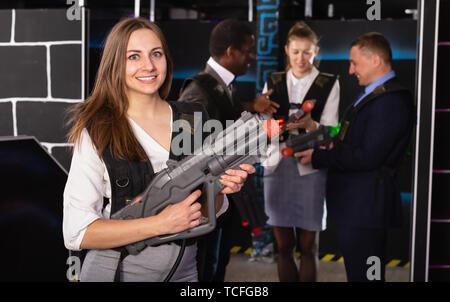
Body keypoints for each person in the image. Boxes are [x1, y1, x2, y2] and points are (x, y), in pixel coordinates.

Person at [62, 17, 254, 282]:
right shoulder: (99, 131)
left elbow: (206, 212)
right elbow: (76, 232)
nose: (148, 66)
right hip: (116, 272)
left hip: (185, 273)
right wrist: (159, 224)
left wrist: (219, 187)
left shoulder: (193, 119)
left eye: (156, 54)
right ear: (115, 64)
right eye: (133, 57)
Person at [296, 32, 414, 282]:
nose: (350, 70)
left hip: (367, 208)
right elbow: (353, 140)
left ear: (376, 60)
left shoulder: (391, 101)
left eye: (355, 63)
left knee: (366, 277)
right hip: (358, 207)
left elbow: (367, 157)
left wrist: (320, 157)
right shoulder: (377, 95)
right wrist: (325, 143)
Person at [178, 19, 277, 282]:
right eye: (247, 51)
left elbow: (220, 118)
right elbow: (186, 154)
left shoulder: (221, 86)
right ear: (230, 51)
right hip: (204, 202)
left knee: (218, 264)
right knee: (204, 269)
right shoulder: (197, 90)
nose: (252, 57)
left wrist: (250, 107)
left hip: (223, 197)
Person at [260, 21, 340, 282]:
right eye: (295, 52)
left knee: (308, 247)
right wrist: (269, 123)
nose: (301, 58)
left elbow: (333, 130)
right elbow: (263, 125)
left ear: (316, 51)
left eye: (307, 52)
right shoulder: (273, 80)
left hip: (310, 167)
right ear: (287, 50)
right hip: (276, 165)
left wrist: (311, 125)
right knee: (283, 247)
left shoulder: (329, 83)